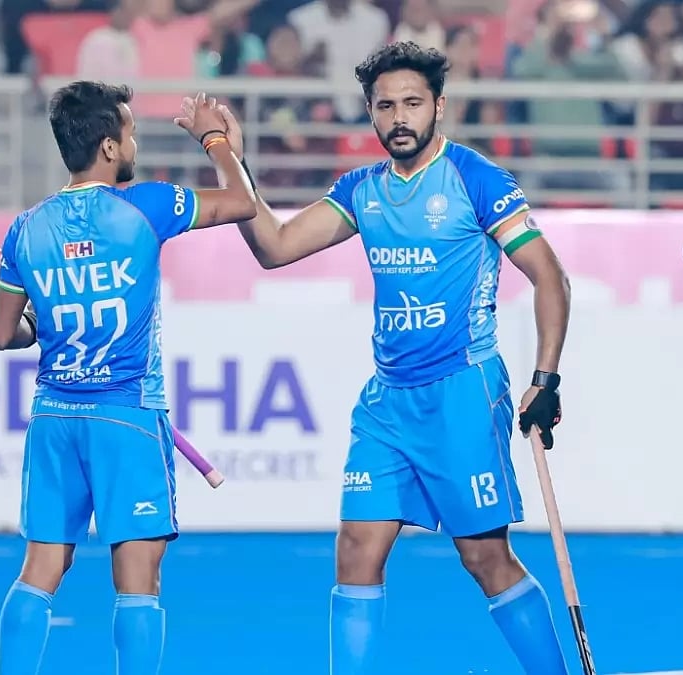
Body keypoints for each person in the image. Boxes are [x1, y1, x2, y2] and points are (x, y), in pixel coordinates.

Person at [212, 42, 573, 674]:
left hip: (462, 393)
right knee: (356, 547)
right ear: (371, 114)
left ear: (440, 106)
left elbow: (550, 278)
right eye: (385, 106)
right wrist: (227, 155)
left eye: (412, 103)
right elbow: (273, 246)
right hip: (388, 404)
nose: (398, 117)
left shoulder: (475, 178)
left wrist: (546, 378)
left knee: (485, 559)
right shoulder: (360, 189)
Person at [0, 82, 256, 675]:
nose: (134, 141)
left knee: (40, 570)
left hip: (55, 418)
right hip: (126, 417)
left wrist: (39, 322)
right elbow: (242, 203)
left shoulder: (26, 229)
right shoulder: (146, 204)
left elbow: (6, 335)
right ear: (109, 147)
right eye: (131, 132)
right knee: (138, 581)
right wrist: (218, 141)